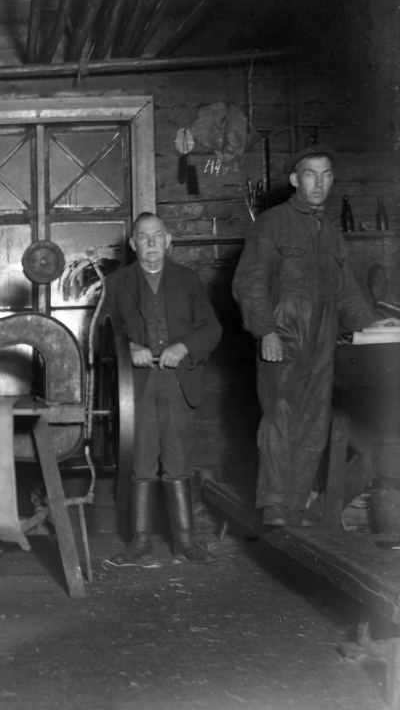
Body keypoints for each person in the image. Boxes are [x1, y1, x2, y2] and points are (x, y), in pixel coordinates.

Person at [232, 146, 400, 528]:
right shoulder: (272, 224)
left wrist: (372, 324)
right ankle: (275, 504)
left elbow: (347, 291)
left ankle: (294, 504)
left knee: (312, 423)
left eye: (326, 175)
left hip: (322, 342)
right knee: (280, 418)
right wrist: (265, 331)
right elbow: (250, 283)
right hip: (283, 339)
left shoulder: (331, 233)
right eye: (310, 174)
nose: (319, 183)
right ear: (295, 179)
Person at [103, 212, 223, 566]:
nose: (152, 243)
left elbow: (211, 329)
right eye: (144, 236)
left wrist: (183, 347)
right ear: (133, 244)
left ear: (169, 241)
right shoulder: (117, 284)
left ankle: (185, 541)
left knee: (178, 461)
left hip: (177, 381)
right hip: (136, 386)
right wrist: (129, 350)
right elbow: (102, 334)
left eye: (158, 236)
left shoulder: (188, 281)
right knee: (141, 461)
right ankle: (140, 542)